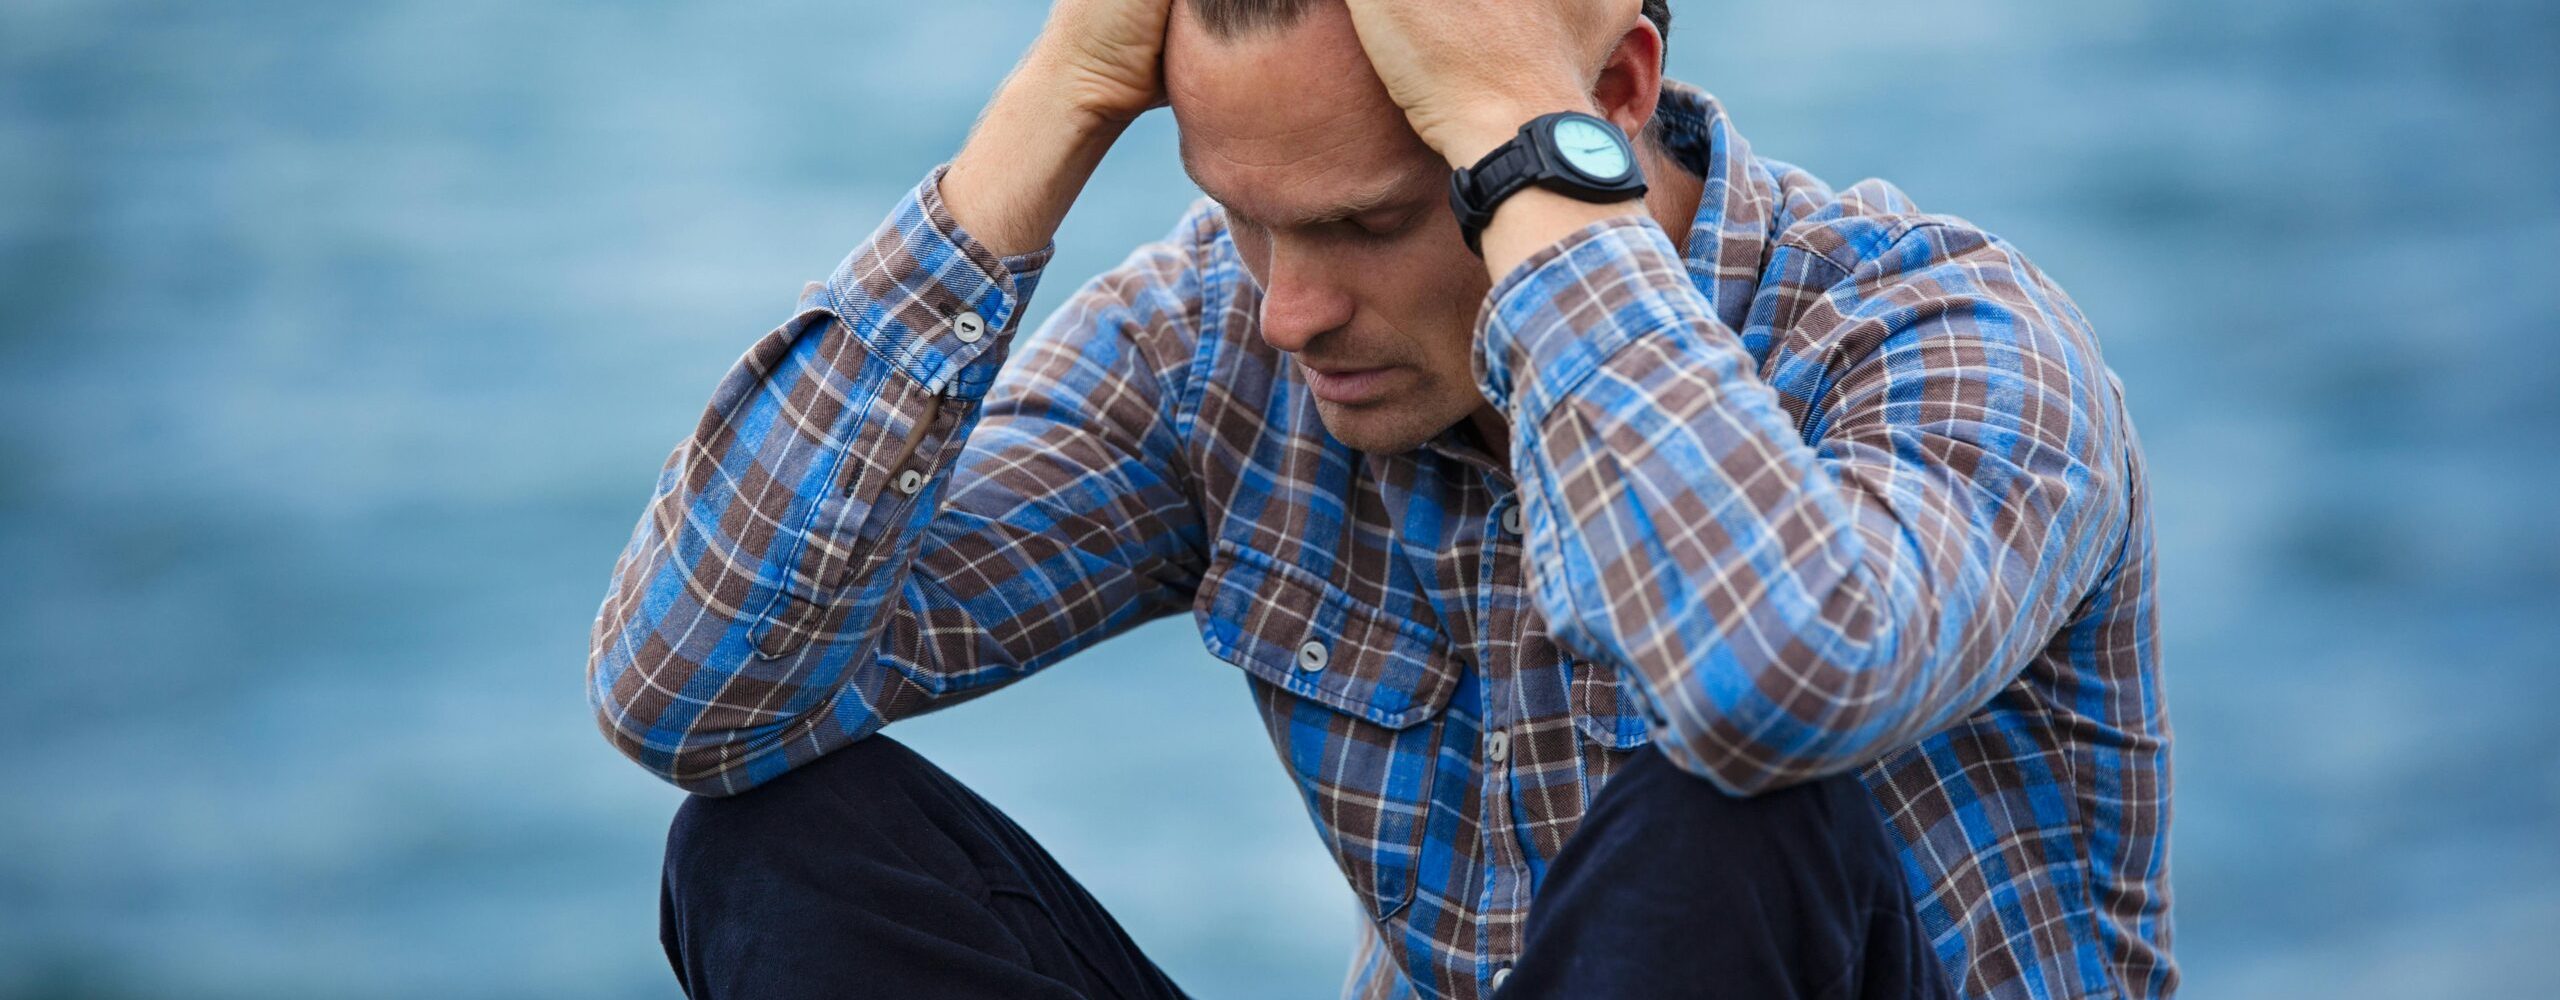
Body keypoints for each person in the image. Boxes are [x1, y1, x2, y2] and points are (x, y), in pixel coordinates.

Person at [586, 0, 2173, 995]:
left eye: (1364, 223)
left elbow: (1772, 682)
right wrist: (1056, 99)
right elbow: (693, 696)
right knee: (769, 842)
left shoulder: (1948, 343)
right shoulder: (1222, 341)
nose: (1288, 308)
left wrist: (1517, 156)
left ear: (1612, 96)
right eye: (1244, 219)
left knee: (1732, 808)